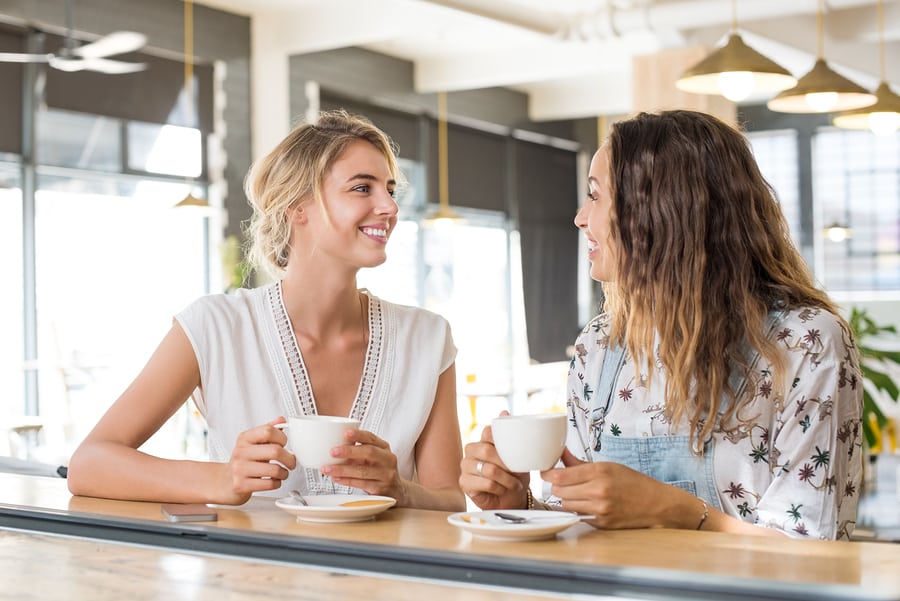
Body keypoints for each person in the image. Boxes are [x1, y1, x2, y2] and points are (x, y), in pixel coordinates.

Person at [460, 109, 863, 540]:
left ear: (658, 212)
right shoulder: (598, 346)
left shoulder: (805, 344)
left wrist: (673, 509)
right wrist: (520, 505)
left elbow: (813, 552)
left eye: (595, 196)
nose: (580, 218)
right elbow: (578, 525)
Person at [68, 110, 465, 512]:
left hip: (392, 575)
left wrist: (400, 489)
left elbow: (450, 499)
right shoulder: (213, 327)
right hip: (249, 575)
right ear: (297, 207)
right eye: (363, 188)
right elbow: (89, 464)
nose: (390, 207)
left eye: (390, 190)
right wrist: (222, 478)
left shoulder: (427, 338)